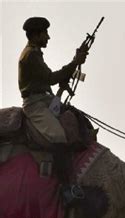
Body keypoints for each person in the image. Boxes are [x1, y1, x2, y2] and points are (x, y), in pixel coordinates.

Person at [19, 17, 88, 182]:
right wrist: (75, 62)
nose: (48, 37)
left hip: (44, 100)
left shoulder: (35, 53)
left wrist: (62, 87)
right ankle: (66, 187)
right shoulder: (30, 56)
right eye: (45, 33)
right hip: (35, 106)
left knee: (74, 116)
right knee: (58, 136)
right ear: (36, 35)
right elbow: (50, 78)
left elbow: (48, 82)